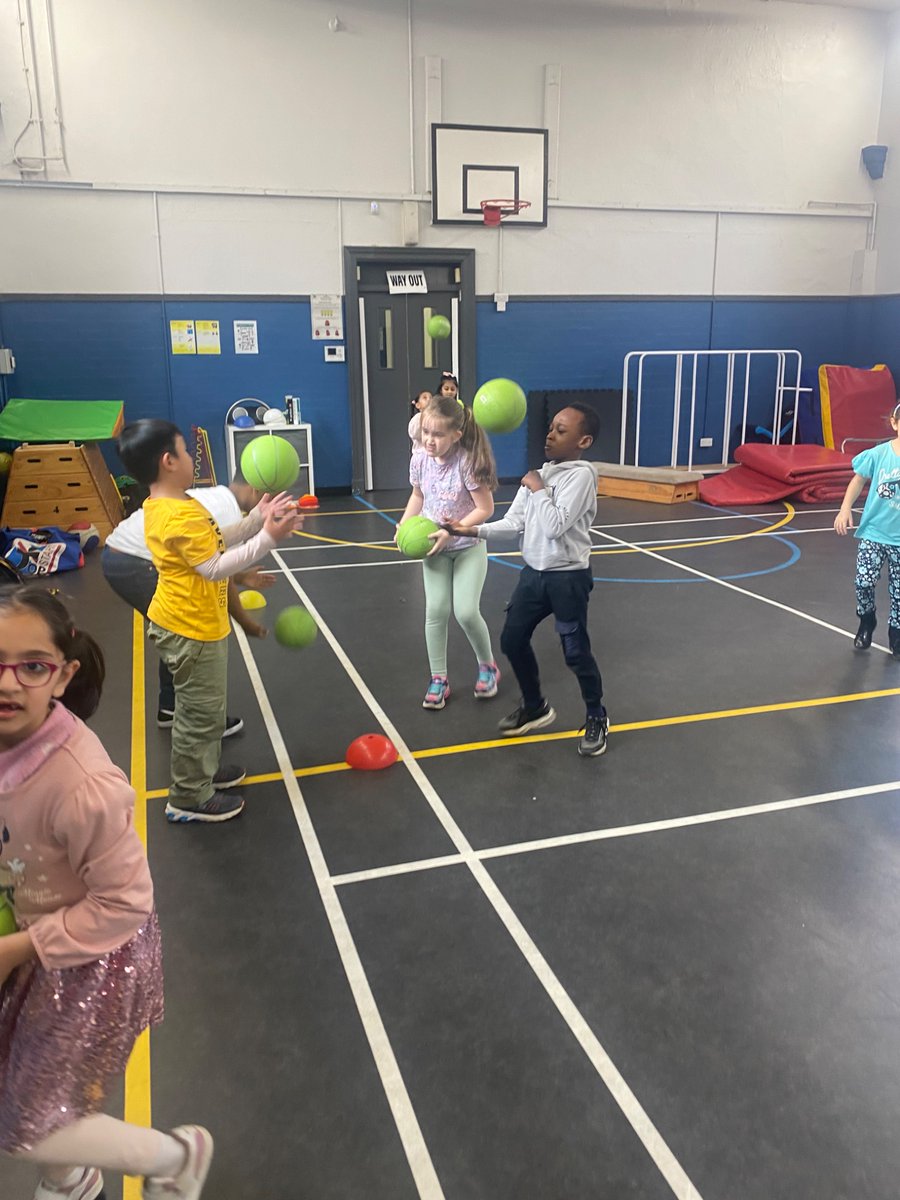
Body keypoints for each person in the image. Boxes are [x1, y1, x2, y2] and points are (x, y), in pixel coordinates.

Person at [0, 586, 213, 1200]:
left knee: (33, 1124)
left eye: (32, 667)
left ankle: (177, 1156)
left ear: (62, 675)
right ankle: (71, 1179)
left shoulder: (81, 786)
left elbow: (124, 902)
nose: (9, 684)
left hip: (95, 960)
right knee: (27, 1084)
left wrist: (18, 949)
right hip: (35, 936)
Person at [116, 420, 300, 823]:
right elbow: (214, 567)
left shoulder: (173, 506)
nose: (189, 458)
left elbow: (216, 537)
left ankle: (203, 773)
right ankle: (188, 796)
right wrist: (268, 537)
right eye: (184, 451)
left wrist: (257, 519)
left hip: (194, 624)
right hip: (189, 629)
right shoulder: (177, 516)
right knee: (199, 715)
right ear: (169, 461)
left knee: (206, 709)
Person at [455, 404, 609, 757]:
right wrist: (470, 529)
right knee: (511, 639)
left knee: (575, 652)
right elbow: (513, 525)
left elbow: (556, 526)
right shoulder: (538, 474)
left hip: (567, 579)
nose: (550, 434)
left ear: (583, 440)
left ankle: (596, 715)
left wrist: (539, 488)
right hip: (533, 578)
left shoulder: (581, 475)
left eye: (561, 430)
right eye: (551, 427)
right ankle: (535, 706)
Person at [102, 473, 273, 736]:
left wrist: (242, 575)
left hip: (121, 558)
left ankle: (171, 708)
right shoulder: (228, 513)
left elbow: (197, 559)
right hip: (134, 562)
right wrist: (246, 623)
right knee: (190, 637)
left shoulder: (217, 497)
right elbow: (218, 576)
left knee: (177, 634)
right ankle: (202, 726)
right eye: (268, 494)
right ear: (253, 489)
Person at [398, 395, 500, 709]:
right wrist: (404, 524)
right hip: (434, 548)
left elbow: (486, 508)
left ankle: (488, 667)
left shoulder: (467, 462)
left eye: (438, 435)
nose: (430, 440)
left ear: (456, 435)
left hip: (467, 547)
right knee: (436, 611)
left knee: (466, 612)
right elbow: (418, 495)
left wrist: (452, 530)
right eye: (426, 432)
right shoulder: (419, 460)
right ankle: (438, 678)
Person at [834, 399, 900, 658]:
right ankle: (867, 619)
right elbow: (858, 479)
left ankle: (896, 632)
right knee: (864, 582)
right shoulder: (879, 454)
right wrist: (844, 508)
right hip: (874, 533)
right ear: (894, 424)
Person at [408, 389, 432, 455]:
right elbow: (414, 434)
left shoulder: (435, 418)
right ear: (418, 405)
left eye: (431, 398)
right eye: (425, 398)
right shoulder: (417, 417)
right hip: (420, 454)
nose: (429, 399)